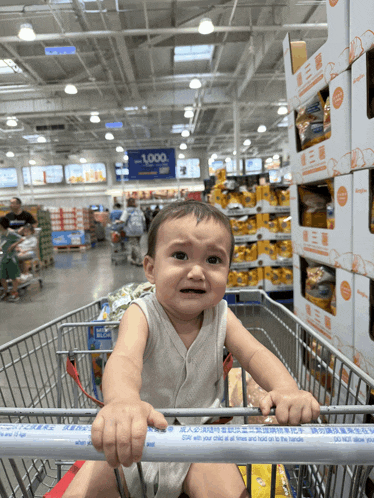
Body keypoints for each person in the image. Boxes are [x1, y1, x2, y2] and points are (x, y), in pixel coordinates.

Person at [63, 200, 320, 498]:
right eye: (180, 255)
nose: (197, 271)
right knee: (86, 487)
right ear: (151, 268)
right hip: (136, 435)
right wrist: (122, 402)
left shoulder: (222, 315)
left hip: (202, 440)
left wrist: (286, 388)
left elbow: (254, 353)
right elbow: (124, 360)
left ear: (228, 271)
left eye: (213, 260)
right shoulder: (141, 313)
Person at [0, 216, 24, 302]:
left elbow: (21, 239)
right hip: (3, 258)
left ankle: (14, 293)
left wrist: (14, 245)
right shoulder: (1, 233)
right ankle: (6, 292)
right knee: (2, 276)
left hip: (11, 257)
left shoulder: (10, 233)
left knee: (13, 276)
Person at [119, 197, 146, 267]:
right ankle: (133, 259)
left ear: (127, 203)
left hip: (131, 230)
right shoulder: (139, 211)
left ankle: (141, 261)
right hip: (139, 230)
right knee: (136, 245)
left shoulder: (127, 211)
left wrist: (117, 222)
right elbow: (143, 220)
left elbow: (122, 220)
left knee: (134, 245)